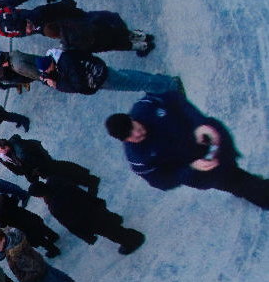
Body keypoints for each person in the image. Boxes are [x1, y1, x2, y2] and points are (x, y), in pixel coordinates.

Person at [105, 90, 268, 208]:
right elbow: (161, 181)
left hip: (211, 142)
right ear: (125, 140)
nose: (138, 133)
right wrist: (190, 169)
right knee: (237, 181)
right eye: (132, 136)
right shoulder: (138, 159)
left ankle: (246, 186)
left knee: (235, 175)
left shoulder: (146, 106)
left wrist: (199, 124)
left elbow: (176, 100)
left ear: (131, 118)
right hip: (202, 172)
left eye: (134, 126)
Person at [28, 177, 145, 254]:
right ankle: (120, 224)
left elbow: (71, 224)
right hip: (94, 205)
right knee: (109, 220)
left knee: (111, 232)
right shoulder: (56, 182)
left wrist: (86, 236)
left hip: (89, 220)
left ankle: (133, 240)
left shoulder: (54, 206)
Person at [33, 50, 180, 95]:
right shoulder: (60, 59)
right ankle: (162, 82)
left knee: (133, 83)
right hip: (99, 71)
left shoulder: (66, 64)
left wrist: (57, 85)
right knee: (129, 77)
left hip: (100, 78)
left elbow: (77, 86)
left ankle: (170, 85)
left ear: (50, 65)